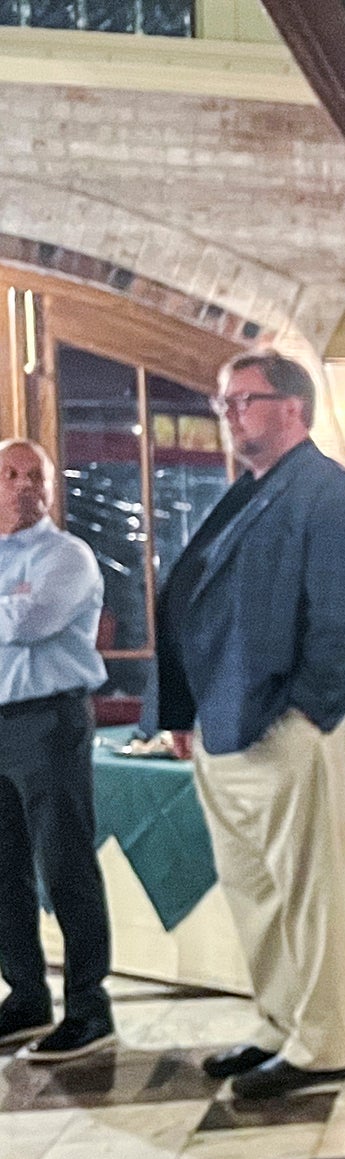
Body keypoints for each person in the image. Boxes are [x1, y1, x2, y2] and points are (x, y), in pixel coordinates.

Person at [149, 351, 345, 1102]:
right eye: (223, 402)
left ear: (291, 407)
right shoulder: (243, 493)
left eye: (241, 400)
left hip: (285, 726)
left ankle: (326, 1045)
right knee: (253, 889)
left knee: (305, 891)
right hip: (222, 727)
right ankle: (281, 1024)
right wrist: (179, 713)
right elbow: (190, 602)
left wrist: (308, 713)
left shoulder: (331, 492)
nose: (228, 414)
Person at [0, 440, 113, 1063]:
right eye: (9, 474)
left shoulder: (67, 555)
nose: (21, 484)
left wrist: (13, 606)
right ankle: (25, 999)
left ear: (48, 486)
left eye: (32, 475)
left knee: (64, 865)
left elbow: (28, 623)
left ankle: (89, 1008)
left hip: (49, 723)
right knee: (3, 873)